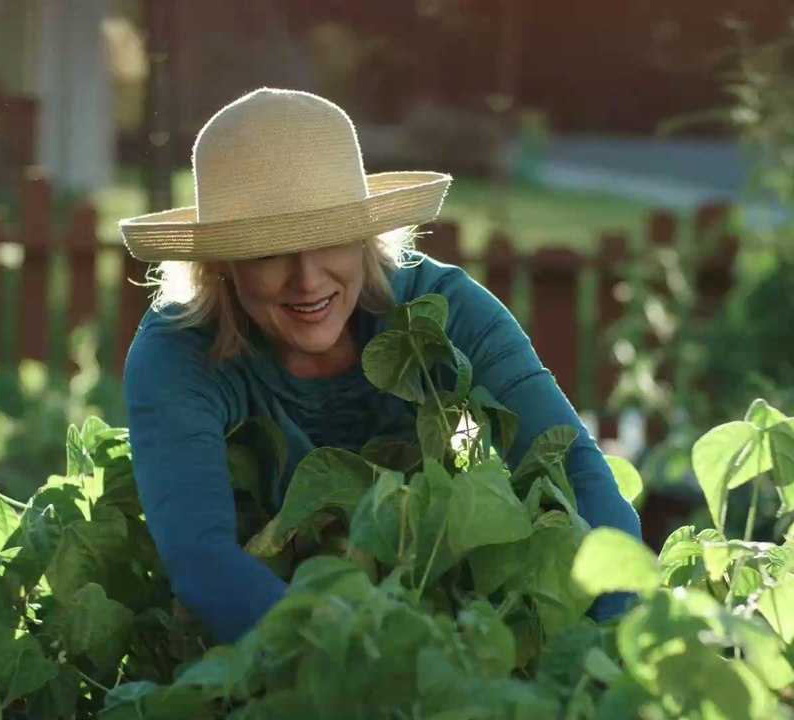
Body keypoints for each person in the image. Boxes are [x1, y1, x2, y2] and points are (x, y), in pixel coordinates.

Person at [120, 88, 643, 644]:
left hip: (462, 613)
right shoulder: (178, 351)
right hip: (263, 631)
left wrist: (609, 649)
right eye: (267, 251)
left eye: (332, 240)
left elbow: (575, 471)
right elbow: (201, 559)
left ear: (365, 236)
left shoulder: (442, 311)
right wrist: (355, 669)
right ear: (221, 263)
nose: (308, 279)